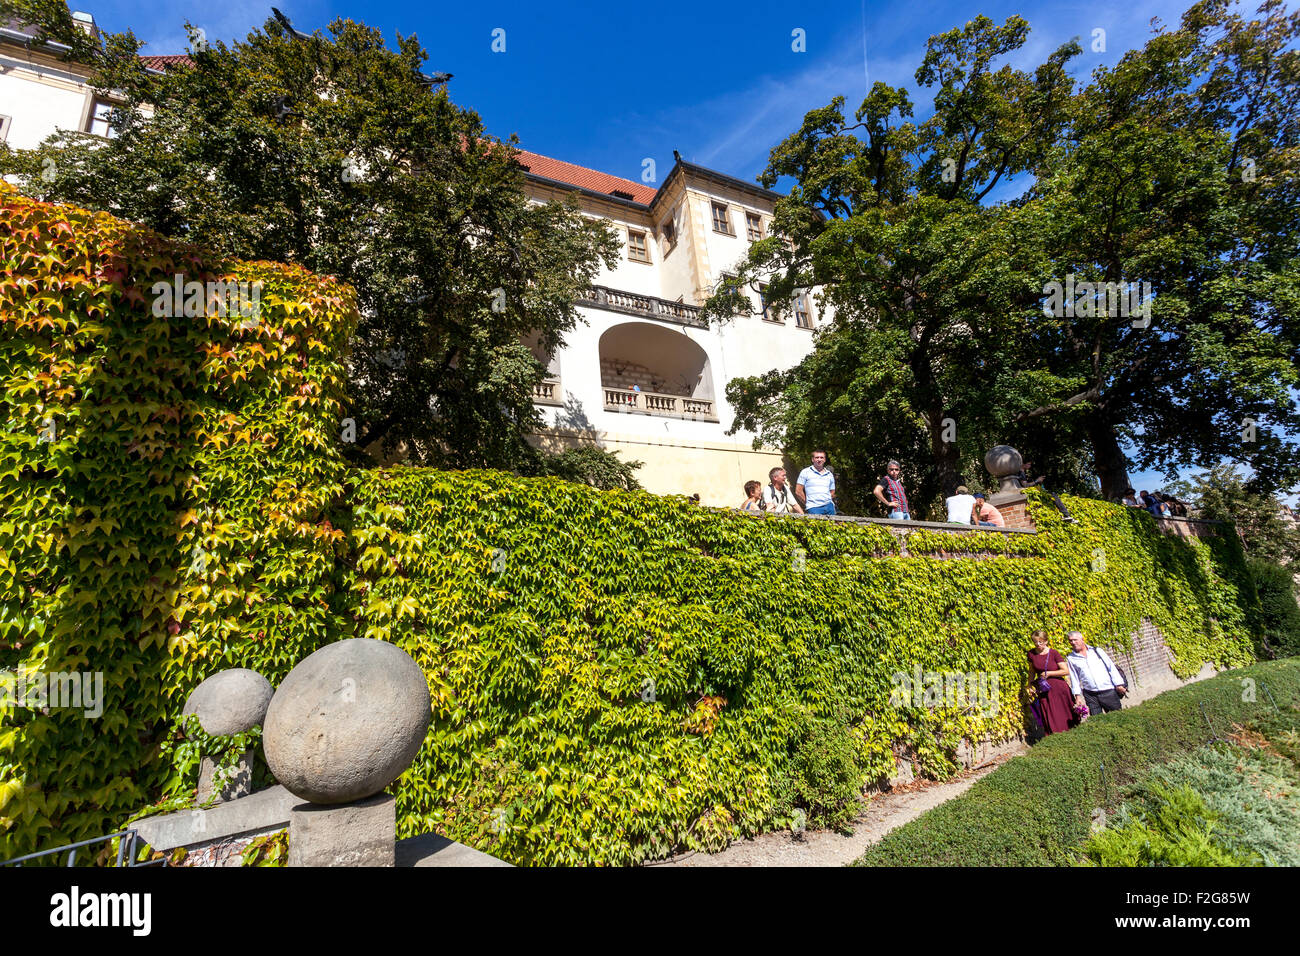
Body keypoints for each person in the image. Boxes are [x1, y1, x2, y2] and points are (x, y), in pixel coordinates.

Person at [1066, 630, 1127, 716]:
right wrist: (1077, 696)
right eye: (1070, 640)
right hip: (1090, 694)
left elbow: (1111, 668)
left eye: (1075, 640)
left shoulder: (1097, 651)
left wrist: (1119, 684)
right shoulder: (1071, 658)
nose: (1073, 642)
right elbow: (1074, 678)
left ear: (1082, 639)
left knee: (1117, 717)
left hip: (1108, 691)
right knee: (1097, 720)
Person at [1027, 630, 1075, 735]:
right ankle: (1054, 738)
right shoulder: (1031, 654)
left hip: (1059, 689)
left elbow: (1065, 671)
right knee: (1048, 714)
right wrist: (1029, 685)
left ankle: (1070, 736)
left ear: (1046, 641)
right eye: (1035, 642)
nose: (1038, 644)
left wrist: (1049, 673)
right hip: (1044, 689)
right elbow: (1031, 672)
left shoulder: (1054, 653)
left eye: (1040, 642)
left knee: (1063, 715)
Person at [796, 450, 837, 516]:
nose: (819, 459)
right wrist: (808, 503)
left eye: (821, 457)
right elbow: (798, 491)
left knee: (832, 526)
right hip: (813, 508)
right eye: (817, 457)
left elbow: (832, 491)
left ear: (825, 460)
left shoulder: (829, 474)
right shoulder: (805, 472)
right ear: (812, 459)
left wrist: (827, 500)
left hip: (829, 507)